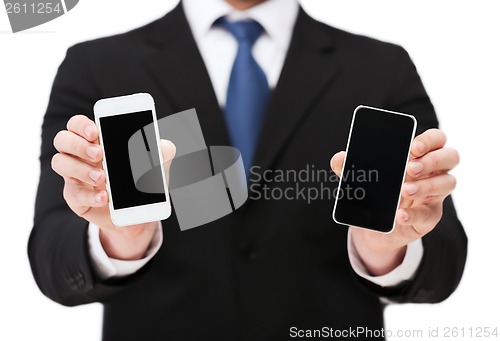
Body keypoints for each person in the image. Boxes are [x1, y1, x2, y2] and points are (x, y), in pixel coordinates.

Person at [29, 0, 467, 340]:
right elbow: (52, 261)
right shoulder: (97, 66)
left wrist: (383, 249)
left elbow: (445, 264)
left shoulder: (382, 69)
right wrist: (121, 239)